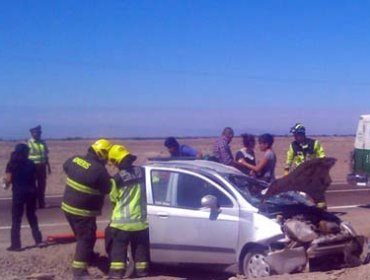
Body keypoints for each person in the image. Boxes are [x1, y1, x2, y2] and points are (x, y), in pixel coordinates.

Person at [61, 139, 112, 280]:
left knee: (82, 235)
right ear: (102, 154)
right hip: (82, 212)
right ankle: (79, 271)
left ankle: (88, 256)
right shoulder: (99, 170)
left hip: (67, 207)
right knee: (86, 238)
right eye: (106, 156)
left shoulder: (75, 159)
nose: (107, 159)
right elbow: (108, 188)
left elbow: (66, 167)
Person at [106, 145, 150, 279]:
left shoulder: (116, 179)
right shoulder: (143, 172)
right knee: (140, 249)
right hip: (140, 223)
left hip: (121, 224)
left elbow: (113, 199)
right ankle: (142, 272)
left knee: (118, 250)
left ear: (117, 162)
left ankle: (116, 274)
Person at [3, 143, 43, 251]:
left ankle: (16, 244)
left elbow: (8, 180)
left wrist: (4, 184)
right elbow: (36, 179)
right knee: (32, 217)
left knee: (16, 219)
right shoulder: (31, 163)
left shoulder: (11, 164)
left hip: (18, 193)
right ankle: (38, 240)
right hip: (31, 192)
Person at [285, 123, 326, 209]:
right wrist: (286, 171)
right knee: (300, 195)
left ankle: (322, 211)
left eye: (296, 135)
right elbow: (289, 159)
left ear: (301, 134)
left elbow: (322, 156)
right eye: (294, 135)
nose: (294, 137)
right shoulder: (293, 146)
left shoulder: (314, 143)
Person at [27, 125, 51, 209]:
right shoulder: (28, 143)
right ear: (32, 134)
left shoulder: (42, 142)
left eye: (39, 133)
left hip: (42, 167)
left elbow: (46, 154)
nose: (38, 134)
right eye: (36, 133)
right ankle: (32, 204)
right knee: (32, 186)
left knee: (42, 186)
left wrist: (48, 167)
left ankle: (41, 203)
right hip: (32, 168)